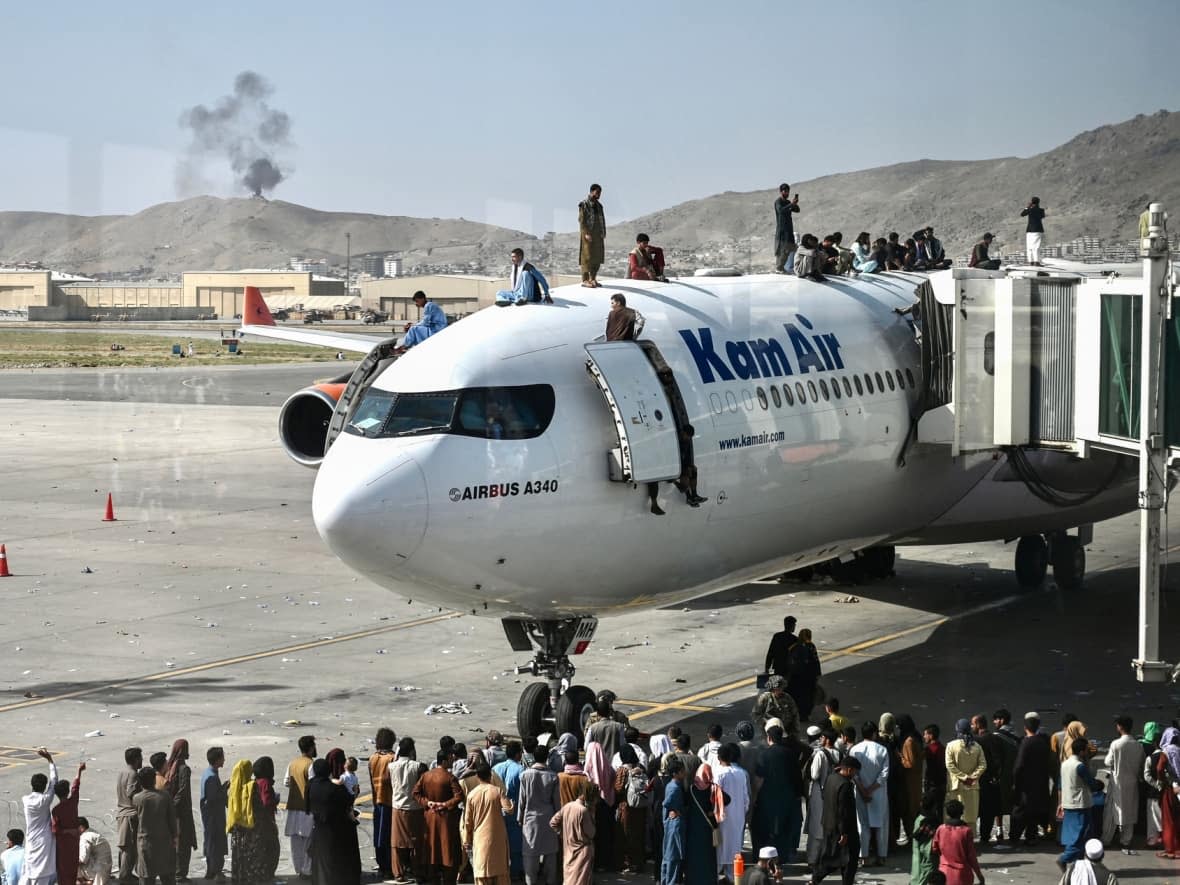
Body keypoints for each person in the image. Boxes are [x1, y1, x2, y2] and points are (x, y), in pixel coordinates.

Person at [751, 725, 803, 863]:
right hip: (787, 799)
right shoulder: (790, 754)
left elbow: (758, 780)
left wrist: (754, 798)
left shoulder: (764, 755)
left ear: (769, 738)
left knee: (766, 830)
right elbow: (798, 776)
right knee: (784, 829)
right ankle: (782, 857)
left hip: (767, 799)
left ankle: (765, 858)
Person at [307, 756, 362, 885]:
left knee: (320, 861)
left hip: (318, 829)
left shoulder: (311, 784)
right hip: (334, 829)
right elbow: (348, 801)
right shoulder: (334, 788)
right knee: (333, 860)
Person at [413, 749, 464, 885]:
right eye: (450, 758)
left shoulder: (426, 776)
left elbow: (416, 793)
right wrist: (445, 804)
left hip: (429, 816)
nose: (453, 760)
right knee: (447, 850)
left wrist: (426, 802)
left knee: (432, 849)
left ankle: (433, 877)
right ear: (445, 761)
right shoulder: (449, 777)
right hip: (445, 818)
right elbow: (459, 796)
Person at [809, 755, 860, 885]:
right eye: (855, 771)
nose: (855, 774)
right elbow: (843, 811)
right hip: (842, 829)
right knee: (847, 859)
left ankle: (815, 879)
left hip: (829, 825)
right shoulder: (845, 785)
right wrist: (844, 833)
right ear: (849, 770)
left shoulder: (831, 778)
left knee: (832, 858)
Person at [227, 757, 279, 885]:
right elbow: (260, 808)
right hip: (251, 830)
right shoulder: (251, 787)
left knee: (239, 858)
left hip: (237, 830)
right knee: (253, 860)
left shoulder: (233, 787)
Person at [462, 763, 514, 885]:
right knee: (500, 873)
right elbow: (509, 810)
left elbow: (468, 821)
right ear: (490, 776)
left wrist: (466, 840)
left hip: (480, 839)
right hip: (497, 840)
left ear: (477, 777)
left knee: (482, 873)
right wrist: (512, 804)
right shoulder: (497, 791)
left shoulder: (472, 795)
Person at [516, 749, 559, 885]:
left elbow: (522, 800)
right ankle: (550, 881)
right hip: (549, 818)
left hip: (530, 818)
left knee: (530, 854)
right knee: (550, 853)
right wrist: (559, 820)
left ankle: (531, 882)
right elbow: (557, 802)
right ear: (546, 758)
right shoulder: (553, 776)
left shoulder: (525, 775)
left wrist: (520, 818)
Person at [1059, 737, 1103, 868]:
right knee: (1082, 835)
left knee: (1073, 835)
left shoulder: (1065, 764)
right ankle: (1065, 858)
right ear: (1082, 751)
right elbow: (1092, 784)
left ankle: (1078, 864)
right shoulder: (1080, 766)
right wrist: (1100, 784)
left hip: (1068, 803)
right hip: (1081, 805)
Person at [1101, 715, 1143, 850]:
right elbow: (1142, 764)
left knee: (1112, 812)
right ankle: (1126, 840)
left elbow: (1108, 762)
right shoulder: (1138, 745)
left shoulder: (1116, 744)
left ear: (1119, 727)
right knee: (1129, 810)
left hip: (1117, 782)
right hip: (1132, 782)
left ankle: (1106, 839)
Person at [850, 722, 890, 866]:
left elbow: (853, 774)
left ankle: (864, 857)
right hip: (878, 793)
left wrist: (863, 789)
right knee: (881, 825)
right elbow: (884, 775)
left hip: (860, 793)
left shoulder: (854, 750)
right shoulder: (882, 750)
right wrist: (872, 789)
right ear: (874, 733)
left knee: (863, 825)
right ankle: (881, 856)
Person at [1010, 713, 1052, 845]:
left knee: (1020, 810)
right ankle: (1031, 835)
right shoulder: (1044, 741)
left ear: (1025, 727)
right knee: (1034, 809)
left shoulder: (1026, 743)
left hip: (1026, 784)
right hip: (1041, 782)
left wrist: (1015, 782)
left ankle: (1015, 836)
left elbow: (1019, 766)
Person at [133, 764, 178, 885]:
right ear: (154, 780)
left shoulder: (137, 798)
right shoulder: (164, 796)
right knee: (168, 876)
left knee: (147, 877)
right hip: (164, 842)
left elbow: (135, 821)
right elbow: (171, 819)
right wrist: (175, 836)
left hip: (146, 844)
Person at [391, 736, 428, 884]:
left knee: (397, 843)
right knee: (416, 843)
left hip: (398, 807)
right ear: (412, 750)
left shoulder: (391, 766)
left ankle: (398, 873)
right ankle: (418, 872)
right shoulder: (418, 766)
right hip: (415, 808)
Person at [162, 740, 196, 883]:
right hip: (182, 813)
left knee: (175, 843)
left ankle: (174, 872)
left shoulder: (169, 766)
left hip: (171, 811)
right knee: (184, 843)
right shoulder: (184, 769)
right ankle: (180, 874)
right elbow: (183, 791)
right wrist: (175, 805)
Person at [21, 748, 57, 885]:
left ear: (32, 785)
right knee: (43, 871)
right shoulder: (45, 800)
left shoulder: (25, 800)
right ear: (44, 787)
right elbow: (54, 781)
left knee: (29, 869)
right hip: (44, 839)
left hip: (31, 838)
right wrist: (50, 760)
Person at [549, 781, 596, 885]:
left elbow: (553, 822)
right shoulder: (584, 811)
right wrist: (592, 815)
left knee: (569, 878)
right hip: (582, 852)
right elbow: (591, 833)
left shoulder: (567, 806)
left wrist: (562, 834)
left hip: (569, 849)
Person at [713, 745, 749, 881]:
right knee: (734, 850)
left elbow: (715, 797)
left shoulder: (718, 773)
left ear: (718, 758)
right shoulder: (741, 773)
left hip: (723, 818)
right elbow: (746, 799)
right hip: (738, 817)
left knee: (720, 850)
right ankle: (733, 878)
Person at [612, 744, 650, 875]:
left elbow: (617, 789)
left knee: (626, 835)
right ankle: (638, 863)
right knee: (638, 835)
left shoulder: (622, 770)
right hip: (640, 807)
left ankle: (628, 863)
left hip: (626, 807)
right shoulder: (641, 768)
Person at [283, 735, 316, 881]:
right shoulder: (310, 764)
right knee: (308, 840)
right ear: (310, 748)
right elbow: (314, 784)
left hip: (293, 807)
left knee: (296, 842)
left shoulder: (293, 763)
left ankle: (299, 868)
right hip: (306, 809)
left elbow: (286, 782)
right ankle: (307, 870)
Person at [806, 730, 840, 867]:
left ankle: (813, 859)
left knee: (816, 827)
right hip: (834, 794)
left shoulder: (820, 754)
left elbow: (814, 775)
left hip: (819, 794)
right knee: (830, 826)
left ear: (826, 739)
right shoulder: (839, 753)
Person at [492, 741, 526, 879]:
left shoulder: (496, 768)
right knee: (516, 846)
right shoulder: (521, 770)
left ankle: (501, 872)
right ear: (518, 754)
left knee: (499, 844)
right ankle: (515, 872)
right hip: (514, 812)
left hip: (497, 811)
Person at [931, 799, 984, 885]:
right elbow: (972, 857)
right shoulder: (966, 831)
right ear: (962, 813)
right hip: (963, 875)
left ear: (947, 813)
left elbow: (934, 849)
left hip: (943, 874)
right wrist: (980, 876)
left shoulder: (941, 829)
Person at [945, 719, 986, 828]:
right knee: (970, 815)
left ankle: (955, 839)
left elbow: (949, 765)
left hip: (956, 786)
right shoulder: (977, 746)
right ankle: (969, 839)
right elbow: (983, 765)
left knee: (955, 814)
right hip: (972, 785)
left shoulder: (951, 745)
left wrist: (963, 777)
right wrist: (972, 777)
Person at [369, 727, 397, 882]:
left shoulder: (373, 758)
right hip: (390, 800)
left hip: (377, 800)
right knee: (389, 836)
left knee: (378, 835)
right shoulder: (392, 758)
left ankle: (382, 865)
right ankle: (389, 866)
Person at [583, 742, 616, 872]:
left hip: (594, 807)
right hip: (608, 805)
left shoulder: (587, 771)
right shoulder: (609, 768)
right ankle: (606, 862)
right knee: (606, 834)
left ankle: (595, 864)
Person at [971, 714, 1003, 845]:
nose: (971, 726)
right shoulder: (994, 738)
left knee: (977, 808)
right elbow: (998, 759)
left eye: (973, 724)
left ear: (978, 725)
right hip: (992, 780)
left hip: (980, 779)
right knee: (988, 811)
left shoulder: (977, 741)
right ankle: (985, 836)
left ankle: (974, 836)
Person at [51, 760, 84, 885]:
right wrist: (79, 770)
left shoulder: (56, 810)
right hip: (74, 841)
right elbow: (76, 786)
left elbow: (55, 830)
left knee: (63, 872)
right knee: (73, 869)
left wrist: (67, 831)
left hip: (63, 844)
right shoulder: (73, 802)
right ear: (67, 792)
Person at [895, 715, 925, 847]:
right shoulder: (915, 737)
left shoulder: (908, 741)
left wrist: (899, 757)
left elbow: (910, 763)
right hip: (915, 780)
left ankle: (913, 838)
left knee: (910, 810)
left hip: (910, 781)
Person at [199, 747, 227, 884]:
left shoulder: (210, 773)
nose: (224, 760)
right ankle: (215, 872)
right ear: (217, 760)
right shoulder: (211, 777)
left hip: (211, 816)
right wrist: (224, 790)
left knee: (211, 841)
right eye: (222, 757)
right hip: (213, 817)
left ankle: (212, 870)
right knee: (215, 843)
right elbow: (213, 798)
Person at [116, 747, 143, 885]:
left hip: (122, 813)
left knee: (125, 847)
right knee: (129, 848)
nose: (142, 760)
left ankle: (126, 874)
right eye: (141, 757)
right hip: (130, 815)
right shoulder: (133, 774)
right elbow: (131, 794)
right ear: (136, 759)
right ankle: (125, 876)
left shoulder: (122, 772)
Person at [660, 759, 687, 885]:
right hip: (674, 825)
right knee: (673, 856)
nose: (684, 773)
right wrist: (677, 811)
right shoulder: (675, 787)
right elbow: (666, 803)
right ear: (675, 773)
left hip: (670, 824)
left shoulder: (671, 785)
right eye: (682, 771)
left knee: (668, 856)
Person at [1155, 725, 1180, 858]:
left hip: (1171, 788)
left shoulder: (1166, 752)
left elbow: (1159, 769)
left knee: (1169, 818)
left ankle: (1170, 848)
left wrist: (1162, 780)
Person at [787, 629, 822, 721]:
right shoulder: (811, 646)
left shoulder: (794, 647)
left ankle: (797, 713)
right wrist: (817, 674)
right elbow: (815, 661)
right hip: (808, 677)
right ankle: (805, 714)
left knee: (797, 696)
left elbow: (789, 662)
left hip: (796, 677)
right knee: (808, 697)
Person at [1142, 721, 1164, 848]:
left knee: (1152, 818)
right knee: (1164, 817)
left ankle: (1152, 840)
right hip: (1165, 792)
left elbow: (1146, 776)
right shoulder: (1167, 756)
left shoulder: (1150, 758)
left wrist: (1156, 784)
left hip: (1152, 793)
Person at [578, 184, 606, 288]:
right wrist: (586, 233)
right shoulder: (584, 204)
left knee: (597, 257)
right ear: (592, 191)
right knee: (587, 257)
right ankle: (585, 279)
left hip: (598, 234)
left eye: (600, 192)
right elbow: (582, 220)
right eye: (597, 192)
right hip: (588, 234)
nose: (599, 194)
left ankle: (593, 278)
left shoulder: (599, 206)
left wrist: (603, 232)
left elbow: (602, 219)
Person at [910, 794, 940, 885]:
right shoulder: (931, 821)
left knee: (917, 869)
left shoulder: (919, 818)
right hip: (927, 853)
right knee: (926, 873)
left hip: (917, 852)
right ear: (934, 806)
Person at [773, 184, 801, 273]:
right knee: (782, 249)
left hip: (789, 229)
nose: (787, 193)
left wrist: (794, 204)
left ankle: (781, 267)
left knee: (789, 248)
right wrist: (791, 204)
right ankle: (779, 267)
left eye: (788, 191)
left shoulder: (788, 202)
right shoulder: (778, 201)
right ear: (781, 191)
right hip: (782, 230)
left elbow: (797, 210)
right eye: (785, 191)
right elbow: (781, 211)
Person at [78, 817, 113, 885]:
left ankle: (83, 882)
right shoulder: (92, 832)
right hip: (105, 870)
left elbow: (82, 859)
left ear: (81, 827)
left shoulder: (84, 837)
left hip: (98, 873)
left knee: (72, 861)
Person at [1021, 196, 1047, 265]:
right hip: (1038, 230)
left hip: (1029, 230)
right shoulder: (1041, 210)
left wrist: (1028, 207)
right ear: (1039, 202)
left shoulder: (1030, 209)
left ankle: (1031, 261)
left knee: (1029, 246)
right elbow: (1042, 216)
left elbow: (1022, 214)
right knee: (1036, 246)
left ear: (1032, 202)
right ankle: (1036, 261)